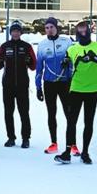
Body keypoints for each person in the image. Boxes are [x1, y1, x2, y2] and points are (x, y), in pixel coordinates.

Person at [54, 21, 97, 165]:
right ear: (76, 33)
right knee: (71, 121)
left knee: (88, 122)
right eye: (80, 32)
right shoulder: (73, 48)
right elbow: (67, 58)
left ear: (89, 32)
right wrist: (65, 61)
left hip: (92, 89)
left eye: (85, 31)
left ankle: (85, 152)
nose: (83, 34)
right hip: (76, 88)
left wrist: (93, 57)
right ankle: (67, 152)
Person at [35, 17, 75, 155]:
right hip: (49, 84)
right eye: (46, 28)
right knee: (51, 113)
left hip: (65, 83)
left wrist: (68, 60)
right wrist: (38, 88)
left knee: (69, 114)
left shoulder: (67, 42)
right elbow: (39, 68)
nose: (49, 30)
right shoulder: (42, 45)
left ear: (56, 27)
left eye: (51, 27)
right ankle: (54, 143)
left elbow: (75, 60)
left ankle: (73, 144)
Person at [0, 21, 36, 148]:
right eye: (13, 31)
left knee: (24, 111)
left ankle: (26, 138)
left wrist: (29, 61)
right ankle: (11, 138)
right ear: (10, 32)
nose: (15, 33)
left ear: (21, 33)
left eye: (18, 31)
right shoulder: (4, 46)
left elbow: (34, 66)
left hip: (22, 84)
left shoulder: (26, 46)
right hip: (7, 84)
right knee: (8, 112)